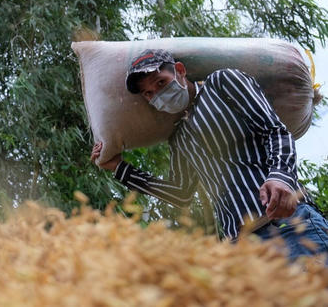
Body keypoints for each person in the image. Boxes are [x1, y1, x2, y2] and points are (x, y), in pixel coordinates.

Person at [91, 49, 328, 263]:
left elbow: (274, 130)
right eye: (149, 94)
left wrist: (281, 177)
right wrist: (119, 167)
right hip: (241, 249)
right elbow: (180, 193)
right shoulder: (178, 138)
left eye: (161, 83)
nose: (157, 95)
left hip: (290, 227)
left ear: (180, 71)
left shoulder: (222, 83)